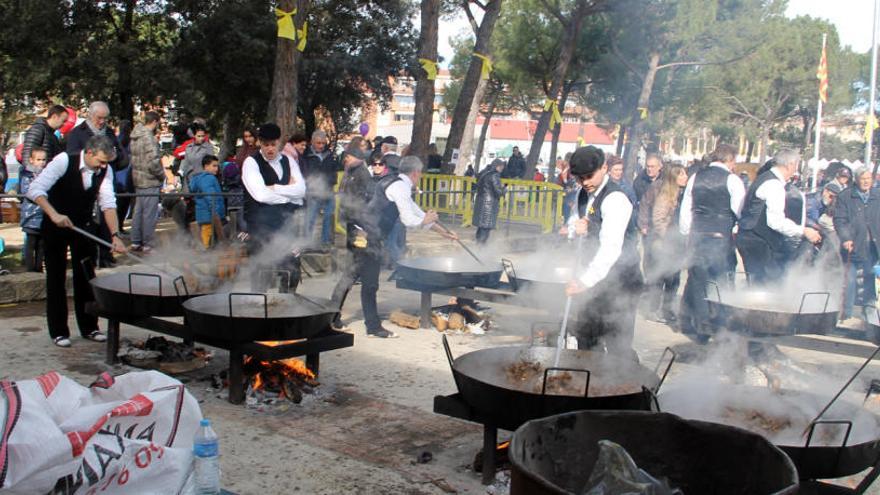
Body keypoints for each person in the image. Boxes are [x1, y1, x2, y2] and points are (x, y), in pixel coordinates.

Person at [27, 135, 127, 347]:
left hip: (82, 226)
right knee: (56, 277)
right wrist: (54, 214)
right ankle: (59, 331)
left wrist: (115, 235)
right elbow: (35, 190)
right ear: (89, 153)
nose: (103, 166)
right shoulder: (64, 160)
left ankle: (90, 327)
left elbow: (108, 204)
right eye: (101, 161)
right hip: (55, 225)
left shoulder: (105, 170)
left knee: (86, 276)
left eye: (106, 162)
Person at [354, 156, 457, 338]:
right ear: (416, 173)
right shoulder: (400, 187)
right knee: (370, 283)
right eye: (421, 173)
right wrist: (427, 219)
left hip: (362, 232)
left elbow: (418, 213)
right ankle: (373, 327)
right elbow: (410, 220)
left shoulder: (397, 182)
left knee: (350, 276)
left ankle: (332, 316)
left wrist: (445, 233)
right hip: (368, 235)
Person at [563, 146, 643, 356]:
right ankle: (588, 381)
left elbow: (610, 248)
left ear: (604, 168)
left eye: (589, 176)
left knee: (617, 342)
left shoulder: (616, 198)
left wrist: (584, 281)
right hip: (595, 277)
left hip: (621, 278)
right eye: (580, 178)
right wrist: (575, 228)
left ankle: (628, 384)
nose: (585, 182)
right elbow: (575, 222)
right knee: (587, 335)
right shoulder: (582, 193)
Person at [678, 144, 746, 339]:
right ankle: (718, 323)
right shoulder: (733, 180)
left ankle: (701, 326)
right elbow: (740, 211)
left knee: (698, 281)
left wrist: (686, 234)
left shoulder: (695, 177)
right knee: (720, 281)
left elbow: (686, 210)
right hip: (720, 238)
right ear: (730, 160)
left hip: (698, 236)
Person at [736, 149, 821, 284]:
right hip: (759, 242)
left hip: (748, 238)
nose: (795, 170)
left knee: (757, 283)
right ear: (790, 165)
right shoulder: (773, 185)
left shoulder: (762, 179)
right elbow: (775, 221)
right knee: (765, 286)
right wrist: (803, 230)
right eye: (796, 166)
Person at [242, 123, 306, 291]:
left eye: (273, 144)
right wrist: (288, 197)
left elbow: (301, 191)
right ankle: (258, 312)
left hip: (285, 227)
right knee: (261, 275)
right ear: (259, 143)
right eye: (265, 144)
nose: (270, 149)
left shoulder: (289, 160)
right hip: (259, 229)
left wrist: (274, 188)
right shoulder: (251, 163)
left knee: (292, 271)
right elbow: (260, 195)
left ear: (279, 142)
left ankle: (286, 308)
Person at [65, 101, 125, 268]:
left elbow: (119, 154)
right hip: (82, 184)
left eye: (105, 118)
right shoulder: (77, 133)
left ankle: (106, 254)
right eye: (99, 118)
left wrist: (116, 234)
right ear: (90, 115)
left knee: (106, 216)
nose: (102, 122)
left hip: (104, 179)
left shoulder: (109, 133)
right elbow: (73, 156)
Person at [330, 145, 377, 330]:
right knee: (352, 272)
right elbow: (359, 205)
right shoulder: (356, 174)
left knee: (356, 273)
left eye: (348, 157)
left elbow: (360, 203)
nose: (345, 160)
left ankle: (369, 322)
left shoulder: (357, 174)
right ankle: (333, 315)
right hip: (358, 230)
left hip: (356, 228)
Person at [834, 167, 880, 321]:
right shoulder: (846, 196)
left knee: (869, 276)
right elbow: (839, 220)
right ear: (856, 180)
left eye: (869, 178)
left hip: (872, 245)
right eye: (863, 178)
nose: (866, 181)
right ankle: (846, 314)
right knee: (850, 279)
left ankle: (869, 311)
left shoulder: (877, 195)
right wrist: (845, 238)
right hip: (852, 244)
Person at [645, 164, 688, 323]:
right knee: (660, 279)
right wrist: (668, 238)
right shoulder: (665, 196)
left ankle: (667, 309)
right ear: (673, 177)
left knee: (674, 280)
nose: (685, 177)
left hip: (676, 245)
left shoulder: (680, 194)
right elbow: (658, 219)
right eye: (681, 175)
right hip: (663, 246)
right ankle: (653, 310)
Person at [130, 111, 164, 253]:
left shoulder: (135, 136)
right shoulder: (148, 138)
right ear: (155, 122)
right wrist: (162, 175)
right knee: (149, 213)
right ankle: (148, 243)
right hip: (150, 179)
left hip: (138, 178)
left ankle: (136, 240)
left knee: (138, 212)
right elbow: (153, 161)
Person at [301, 130, 341, 246]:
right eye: (318, 143)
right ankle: (306, 241)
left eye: (323, 143)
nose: (321, 146)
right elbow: (305, 173)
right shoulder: (306, 156)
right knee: (310, 217)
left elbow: (334, 170)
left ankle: (326, 241)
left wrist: (332, 182)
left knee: (329, 217)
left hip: (328, 190)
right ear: (312, 142)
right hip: (313, 192)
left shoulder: (329, 155)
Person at [19, 147, 48, 272]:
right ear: (31, 160)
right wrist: (41, 195)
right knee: (31, 244)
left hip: (43, 214)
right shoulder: (27, 175)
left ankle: (39, 267)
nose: (41, 162)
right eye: (38, 159)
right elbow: (27, 191)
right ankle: (30, 269)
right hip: (31, 214)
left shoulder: (47, 174)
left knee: (41, 244)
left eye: (44, 159)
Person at [189, 155, 225, 248]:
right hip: (210, 215)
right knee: (208, 242)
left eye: (217, 166)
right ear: (206, 166)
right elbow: (210, 197)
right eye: (214, 166)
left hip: (205, 215)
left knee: (208, 239)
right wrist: (216, 212)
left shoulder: (200, 178)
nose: (216, 169)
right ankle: (206, 258)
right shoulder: (208, 178)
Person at [473, 158, 506, 244]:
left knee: (481, 227)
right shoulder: (494, 175)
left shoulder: (484, 173)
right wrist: (504, 189)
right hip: (488, 205)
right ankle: (481, 249)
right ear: (497, 166)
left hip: (480, 202)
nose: (502, 168)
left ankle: (478, 247)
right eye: (501, 166)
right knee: (486, 228)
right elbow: (498, 191)